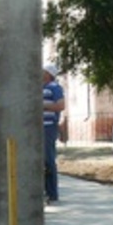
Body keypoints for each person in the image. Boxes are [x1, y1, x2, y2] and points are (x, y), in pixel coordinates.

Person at [42, 64, 66, 203]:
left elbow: (60, 106)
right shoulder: (42, 88)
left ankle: (52, 193)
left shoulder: (54, 87)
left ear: (48, 74)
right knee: (41, 161)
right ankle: (45, 190)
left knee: (48, 159)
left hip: (48, 127)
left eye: (43, 71)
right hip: (39, 127)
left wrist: (42, 105)